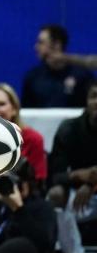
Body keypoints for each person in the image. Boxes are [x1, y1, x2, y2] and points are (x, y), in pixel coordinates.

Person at [47, 80, 97, 242]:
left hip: (90, 189)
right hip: (75, 192)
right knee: (55, 194)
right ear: (86, 101)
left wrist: (91, 184)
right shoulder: (69, 130)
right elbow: (54, 177)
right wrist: (77, 176)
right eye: (94, 96)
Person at [22, 25, 94, 108]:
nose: (36, 47)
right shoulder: (32, 77)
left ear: (57, 44)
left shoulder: (82, 76)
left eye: (41, 42)